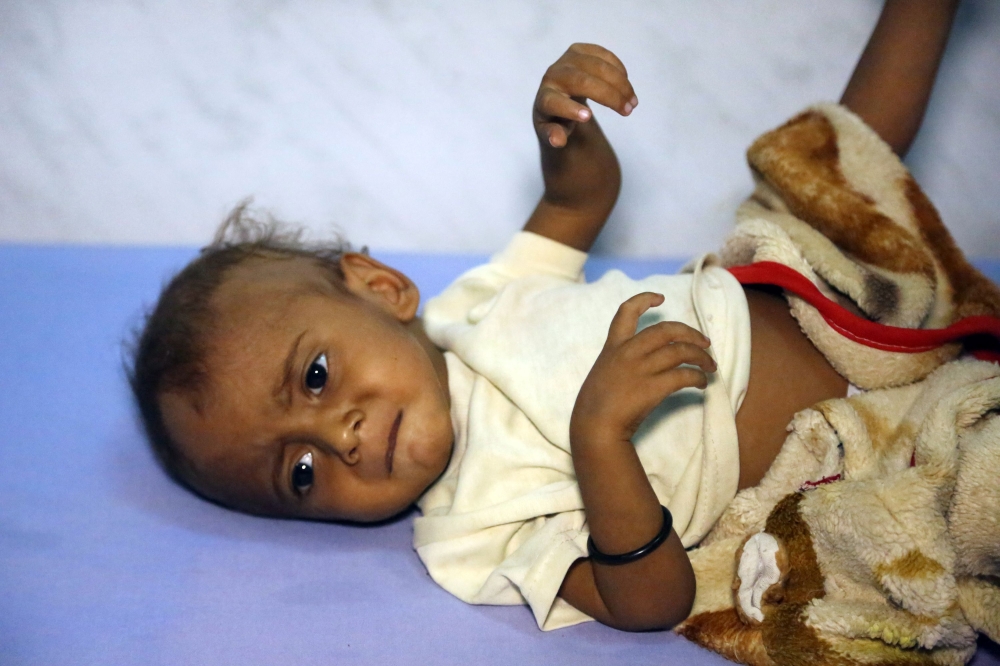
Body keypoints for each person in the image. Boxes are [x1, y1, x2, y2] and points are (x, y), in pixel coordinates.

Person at [130, 0, 961, 633]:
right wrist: (597, 441)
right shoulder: (466, 533)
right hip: (863, 444)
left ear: (380, 289)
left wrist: (564, 125)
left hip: (789, 288)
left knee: (820, 166)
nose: (335, 437)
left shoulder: (479, 306)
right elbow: (648, 604)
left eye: (315, 376)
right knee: (961, 505)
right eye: (300, 474)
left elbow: (580, 200)